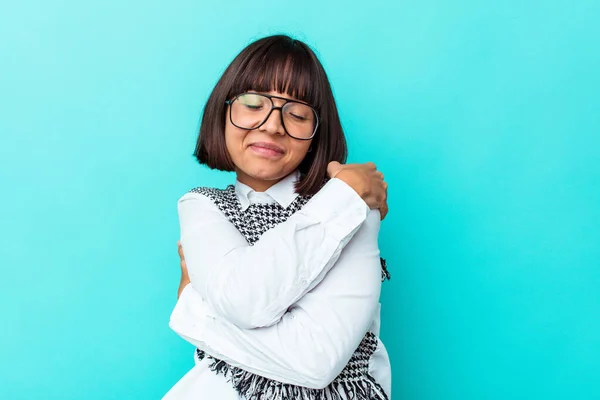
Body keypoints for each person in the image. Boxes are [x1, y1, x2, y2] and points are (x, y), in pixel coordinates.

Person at [164, 35, 392, 400]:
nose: (272, 125)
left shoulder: (352, 211)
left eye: (297, 114)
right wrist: (346, 196)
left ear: (316, 135)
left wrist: (194, 311)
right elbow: (245, 299)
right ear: (223, 113)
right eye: (253, 104)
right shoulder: (201, 205)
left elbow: (316, 362)